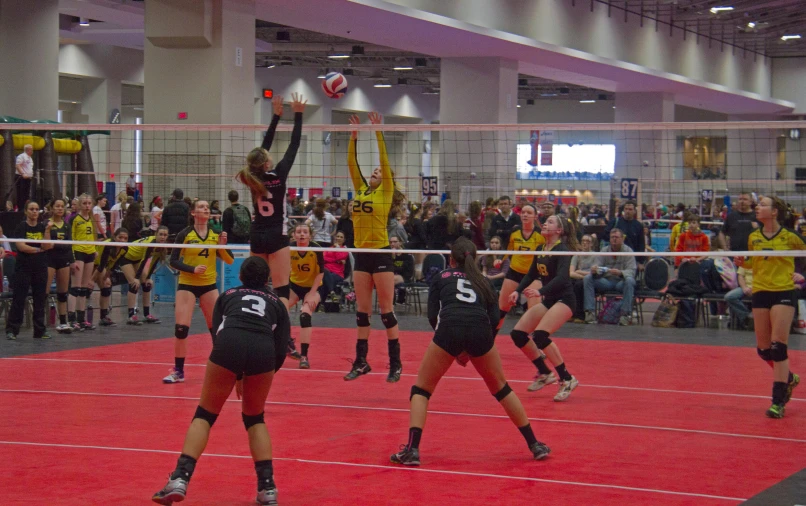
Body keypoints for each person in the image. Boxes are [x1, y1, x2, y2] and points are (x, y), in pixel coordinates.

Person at [390, 238, 550, 466]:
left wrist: (453, 347)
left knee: (421, 390)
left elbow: (432, 316)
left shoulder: (441, 277)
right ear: (474, 259)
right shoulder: (484, 281)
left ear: (451, 259)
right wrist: (475, 347)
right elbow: (495, 319)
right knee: (502, 389)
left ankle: (412, 450)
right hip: (480, 332)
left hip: (450, 329)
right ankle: (535, 444)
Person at [151, 257, 290, 506]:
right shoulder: (277, 303)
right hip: (263, 350)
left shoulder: (227, 295)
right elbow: (280, 349)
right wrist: (257, 378)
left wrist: (234, 372)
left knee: (204, 415)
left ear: (241, 277)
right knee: (255, 418)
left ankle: (180, 478)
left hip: (230, 344)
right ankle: (267, 488)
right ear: (267, 280)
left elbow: (217, 333)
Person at [343, 112, 405, 383]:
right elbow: (351, 164)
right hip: (361, 254)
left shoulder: (385, 192)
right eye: (374, 171)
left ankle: (395, 364)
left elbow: (384, 160)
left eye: (379, 171)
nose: (374, 171)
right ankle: (361, 362)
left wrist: (378, 131)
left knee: (387, 313)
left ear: (386, 177)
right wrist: (354, 138)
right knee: (362, 314)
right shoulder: (360, 190)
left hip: (380, 254)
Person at [237, 94, 305, 308]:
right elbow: (294, 145)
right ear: (266, 163)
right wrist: (298, 114)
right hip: (277, 235)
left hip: (257, 235)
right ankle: (281, 335)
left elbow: (263, 148)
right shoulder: (280, 174)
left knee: (256, 286)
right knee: (282, 289)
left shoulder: (251, 177)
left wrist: (275, 117)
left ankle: (255, 324)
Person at [508, 216, 580, 399]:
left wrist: (541, 292)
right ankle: (545, 372)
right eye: (545, 221)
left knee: (540, 335)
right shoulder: (540, 249)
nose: (545, 223)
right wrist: (518, 291)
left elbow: (563, 278)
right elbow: (532, 273)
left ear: (559, 230)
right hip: (550, 300)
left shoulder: (563, 250)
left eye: (550, 222)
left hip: (565, 299)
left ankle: (567, 378)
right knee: (518, 334)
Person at [744, 196, 803, 418]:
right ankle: (789, 377)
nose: (757, 207)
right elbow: (754, 261)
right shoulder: (753, 237)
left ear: (775, 211)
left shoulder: (791, 237)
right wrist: (744, 263)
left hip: (783, 291)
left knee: (779, 348)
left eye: (763, 204)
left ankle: (778, 401)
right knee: (764, 350)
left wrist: (802, 276)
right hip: (760, 291)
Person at [163, 200, 234, 384]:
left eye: (207, 207)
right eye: (202, 207)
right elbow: (174, 261)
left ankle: (222, 369)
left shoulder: (216, 234)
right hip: (187, 284)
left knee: (217, 330)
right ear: (193, 213)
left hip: (209, 285)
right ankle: (178, 371)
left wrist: (223, 246)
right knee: (181, 328)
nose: (206, 209)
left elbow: (230, 261)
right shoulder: (184, 234)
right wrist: (192, 269)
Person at [5, 201, 52, 340]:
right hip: (23, 268)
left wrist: (48, 230)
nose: (34, 212)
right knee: (19, 299)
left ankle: (39, 330)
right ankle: (12, 330)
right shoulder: (21, 227)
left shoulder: (43, 227)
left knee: (40, 299)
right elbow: (21, 246)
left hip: (40, 267)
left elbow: (47, 246)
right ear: (26, 211)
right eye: (31, 209)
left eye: (37, 209)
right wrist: (38, 249)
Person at [495, 204, 545, 334]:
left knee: (534, 312)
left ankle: (537, 344)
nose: (525, 215)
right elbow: (509, 248)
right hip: (515, 272)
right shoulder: (515, 231)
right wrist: (501, 258)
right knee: (502, 308)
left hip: (533, 275)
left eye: (529, 213)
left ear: (535, 216)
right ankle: (489, 340)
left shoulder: (541, 235)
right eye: (523, 212)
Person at [286, 223, 324, 369]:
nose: (301, 234)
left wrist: (312, 294)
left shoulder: (316, 249)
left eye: (305, 232)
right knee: (280, 309)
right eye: (299, 232)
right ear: (294, 235)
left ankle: (304, 356)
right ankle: (288, 343)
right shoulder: (289, 248)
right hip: (295, 286)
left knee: (305, 315)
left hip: (313, 287)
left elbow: (321, 273)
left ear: (310, 235)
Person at [582, 228, 637, 326]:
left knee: (630, 280)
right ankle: (589, 313)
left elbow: (632, 271)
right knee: (588, 278)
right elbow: (597, 266)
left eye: (616, 237)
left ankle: (625, 314)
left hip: (621, 282)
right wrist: (595, 270)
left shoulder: (629, 251)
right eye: (612, 237)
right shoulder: (604, 250)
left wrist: (620, 272)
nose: (614, 239)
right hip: (606, 282)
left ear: (622, 239)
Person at [119, 225, 170, 325]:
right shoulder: (151, 243)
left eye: (165, 235)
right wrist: (137, 278)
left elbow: (155, 261)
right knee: (134, 284)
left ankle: (147, 315)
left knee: (147, 285)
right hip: (126, 257)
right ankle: (131, 316)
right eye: (161, 234)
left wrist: (147, 278)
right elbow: (144, 260)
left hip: (137, 259)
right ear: (156, 234)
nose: (163, 237)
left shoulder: (162, 246)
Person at [45, 198, 78, 334]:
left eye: (62, 206)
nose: (60, 208)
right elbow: (47, 245)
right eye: (57, 206)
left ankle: (63, 322)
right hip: (49, 260)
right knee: (44, 292)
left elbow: (69, 244)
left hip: (63, 259)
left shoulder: (66, 226)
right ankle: (41, 323)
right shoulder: (46, 224)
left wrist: (72, 261)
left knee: (63, 293)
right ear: (52, 208)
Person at [69, 193, 99, 332]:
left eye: (89, 203)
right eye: (85, 203)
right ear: (80, 205)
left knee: (84, 288)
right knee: (75, 287)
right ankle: (71, 319)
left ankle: (81, 319)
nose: (87, 206)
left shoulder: (92, 219)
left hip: (89, 252)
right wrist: (72, 258)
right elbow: (71, 238)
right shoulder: (75, 219)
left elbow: (93, 236)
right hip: (78, 251)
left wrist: (95, 249)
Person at [92, 228, 131, 326]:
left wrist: (107, 274)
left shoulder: (124, 249)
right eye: (120, 237)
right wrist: (91, 281)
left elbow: (114, 265)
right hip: (93, 264)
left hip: (103, 266)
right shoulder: (108, 245)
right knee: (88, 288)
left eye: (125, 238)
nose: (122, 240)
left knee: (106, 287)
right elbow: (101, 266)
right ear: (114, 237)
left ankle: (103, 317)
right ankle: (79, 318)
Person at [569, 234, 596, 323]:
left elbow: (594, 272)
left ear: (591, 244)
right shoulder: (577, 255)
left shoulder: (595, 256)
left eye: (587, 241)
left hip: (591, 280)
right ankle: (570, 313)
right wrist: (583, 276)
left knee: (579, 285)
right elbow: (571, 272)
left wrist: (579, 272)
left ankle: (580, 315)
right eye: (583, 241)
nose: (584, 243)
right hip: (580, 278)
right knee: (569, 284)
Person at [321, 230, 348, 300]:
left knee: (325, 280)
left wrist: (337, 248)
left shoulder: (345, 250)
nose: (339, 238)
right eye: (337, 236)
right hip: (327, 271)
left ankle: (321, 304)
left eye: (341, 237)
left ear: (344, 240)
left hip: (338, 274)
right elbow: (323, 259)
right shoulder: (329, 248)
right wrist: (336, 261)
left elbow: (340, 257)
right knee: (325, 272)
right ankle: (332, 292)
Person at [390, 236, 414, 304]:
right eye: (391, 242)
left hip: (405, 275)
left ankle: (391, 302)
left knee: (391, 279)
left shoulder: (407, 254)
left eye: (395, 242)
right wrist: (392, 257)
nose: (392, 244)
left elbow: (406, 269)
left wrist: (396, 269)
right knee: (387, 279)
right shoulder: (388, 254)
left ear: (400, 243)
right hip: (392, 274)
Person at [14, 144, 34, 211]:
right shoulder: (21, 156)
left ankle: (25, 208)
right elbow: (18, 165)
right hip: (21, 178)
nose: (32, 151)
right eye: (31, 149)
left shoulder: (30, 158)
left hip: (28, 178)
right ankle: (20, 209)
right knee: (21, 194)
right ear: (28, 150)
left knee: (26, 194)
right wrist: (23, 174)